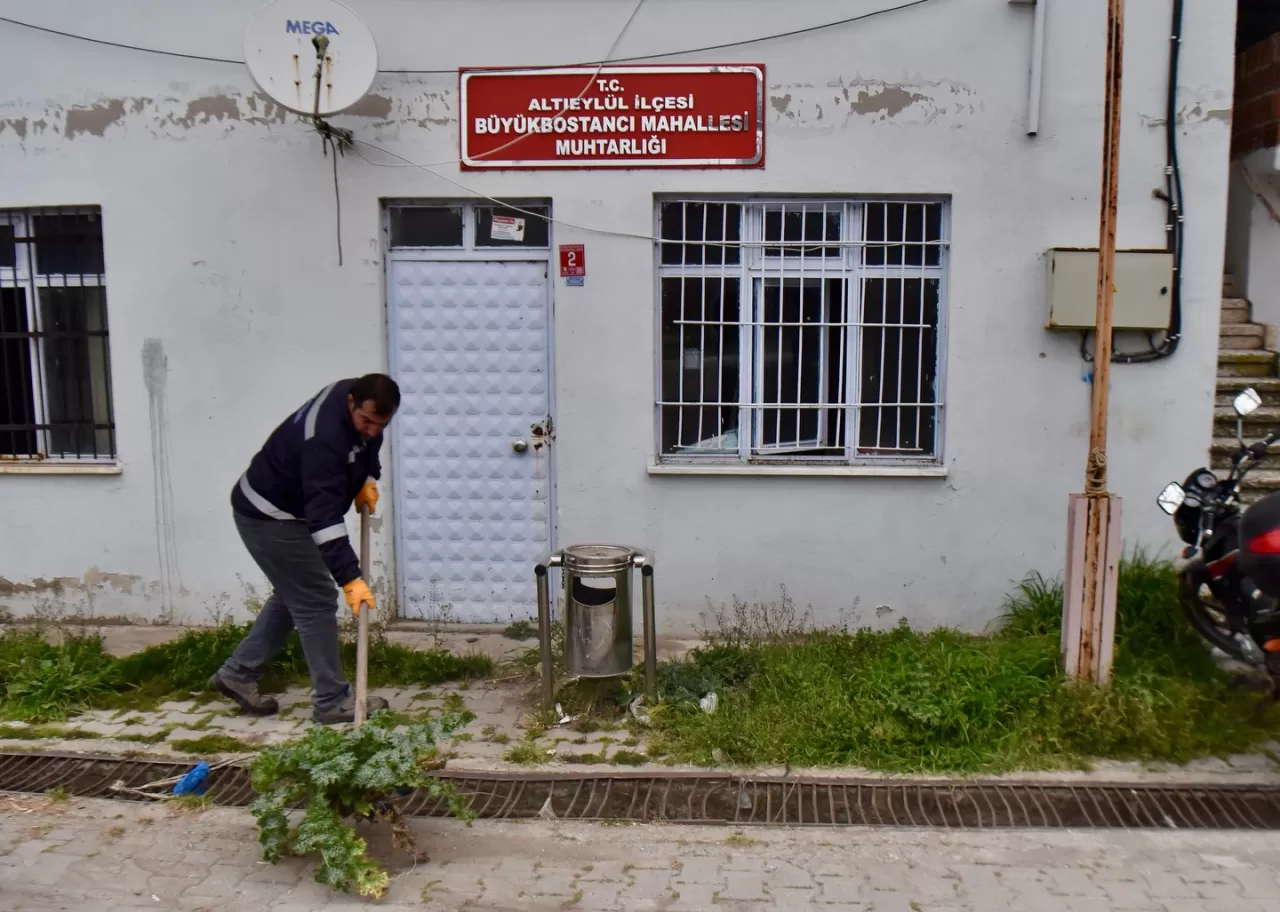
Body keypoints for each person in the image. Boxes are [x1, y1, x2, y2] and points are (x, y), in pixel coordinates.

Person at [210, 374, 400, 725]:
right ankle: (331, 700)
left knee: (293, 594)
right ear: (351, 403)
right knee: (315, 598)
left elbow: (366, 445)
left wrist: (367, 478)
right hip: (270, 515)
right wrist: (350, 577)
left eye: (381, 424)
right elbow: (324, 518)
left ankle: (237, 673)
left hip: (281, 507)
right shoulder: (323, 440)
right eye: (367, 421)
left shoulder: (356, 399)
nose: (373, 430)